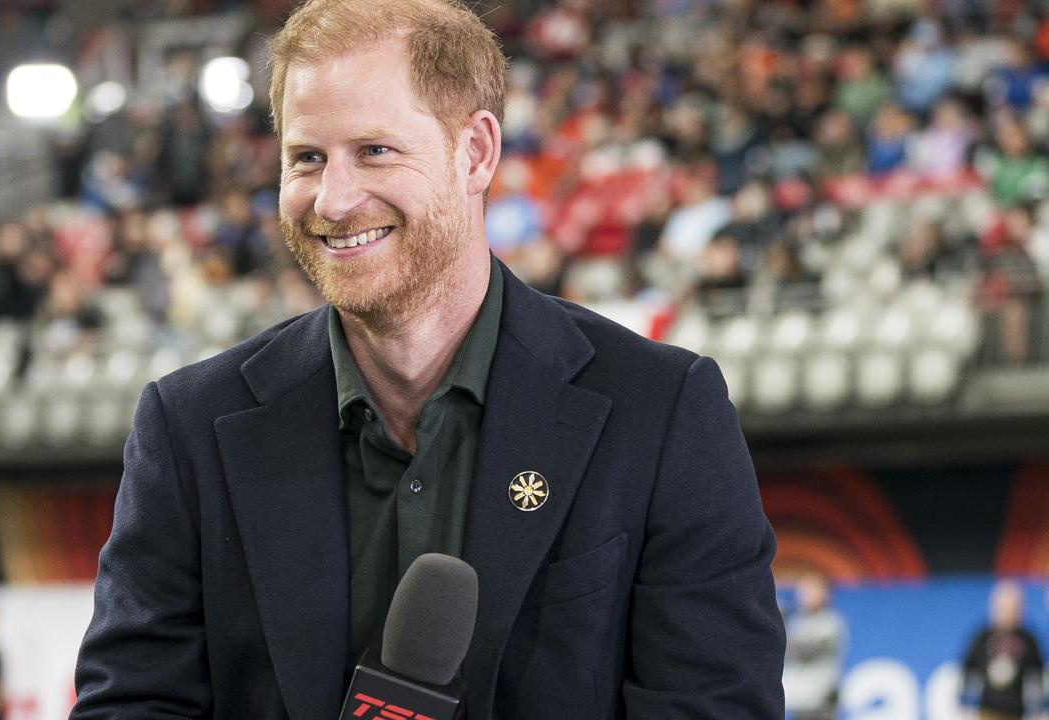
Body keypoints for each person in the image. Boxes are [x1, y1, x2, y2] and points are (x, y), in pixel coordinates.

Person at [71, 0, 785, 718]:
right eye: (307, 158)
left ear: (475, 152)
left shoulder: (660, 413)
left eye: (375, 150)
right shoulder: (189, 427)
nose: (334, 199)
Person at [961, 581, 1044, 720]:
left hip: (1016, 711)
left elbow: (1037, 675)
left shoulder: (1028, 639)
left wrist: (1040, 707)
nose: (1008, 612)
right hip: (987, 710)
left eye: (1013, 607)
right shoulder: (983, 637)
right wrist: (964, 701)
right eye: (1004, 607)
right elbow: (968, 670)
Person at [782, 575, 847, 720]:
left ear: (823, 594)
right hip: (801, 696)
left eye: (810, 591)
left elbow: (806, 650)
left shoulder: (830, 622)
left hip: (822, 697)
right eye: (802, 591)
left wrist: (779, 633)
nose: (804, 596)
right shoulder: (797, 621)